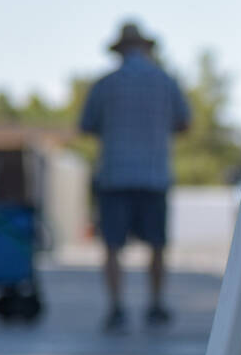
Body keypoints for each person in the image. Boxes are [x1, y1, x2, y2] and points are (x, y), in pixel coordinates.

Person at [80, 21, 190, 332]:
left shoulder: (105, 85)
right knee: (157, 245)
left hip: (114, 175)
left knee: (113, 246)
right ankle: (156, 305)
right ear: (146, 48)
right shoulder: (166, 82)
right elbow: (185, 123)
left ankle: (116, 308)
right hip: (154, 175)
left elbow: (87, 125)